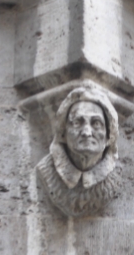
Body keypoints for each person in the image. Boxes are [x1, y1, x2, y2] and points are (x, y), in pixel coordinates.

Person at [36, 82, 120, 217]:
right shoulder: (47, 171)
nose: (87, 132)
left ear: (109, 135)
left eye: (96, 123)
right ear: (63, 133)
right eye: (77, 123)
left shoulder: (115, 176)